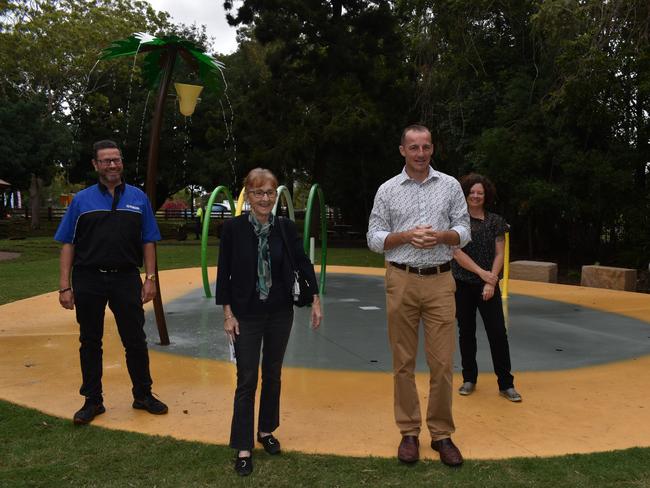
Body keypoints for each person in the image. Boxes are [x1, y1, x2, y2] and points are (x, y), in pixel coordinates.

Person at [367, 124, 470, 467]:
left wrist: (441, 236)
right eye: (414, 147)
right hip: (402, 279)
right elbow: (374, 238)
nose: (420, 153)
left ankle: (441, 435)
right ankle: (409, 432)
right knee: (403, 363)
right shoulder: (388, 190)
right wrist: (406, 236)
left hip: (441, 281)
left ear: (432, 149)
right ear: (402, 150)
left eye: (426, 147)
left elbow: (465, 231)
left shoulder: (451, 186)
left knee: (442, 364)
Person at [215, 168, 322, 476]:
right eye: (258, 192)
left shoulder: (285, 228)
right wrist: (227, 314)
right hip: (245, 314)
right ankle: (244, 445)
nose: (264, 199)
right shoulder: (233, 229)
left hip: (279, 312)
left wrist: (315, 299)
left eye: (270, 193)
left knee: (272, 374)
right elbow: (224, 274)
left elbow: (302, 262)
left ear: (276, 196)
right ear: (247, 195)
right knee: (247, 378)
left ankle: (265, 431)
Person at [55, 139, 168, 425]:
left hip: (126, 278)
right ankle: (93, 401)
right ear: (95, 165)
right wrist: (65, 286)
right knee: (90, 341)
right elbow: (67, 243)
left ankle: (143, 394)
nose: (112, 165)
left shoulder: (138, 198)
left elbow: (148, 242)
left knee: (135, 340)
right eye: (106, 160)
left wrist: (150, 279)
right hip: (89, 278)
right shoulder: (81, 200)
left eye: (116, 159)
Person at [452, 173, 522, 402]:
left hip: (489, 286)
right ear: (465, 194)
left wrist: (490, 281)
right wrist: (484, 275)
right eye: (471, 191)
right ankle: (469, 379)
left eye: (479, 192)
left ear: (486, 195)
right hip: (462, 284)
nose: (475, 195)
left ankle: (506, 384)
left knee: (498, 334)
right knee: (466, 334)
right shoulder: (457, 223)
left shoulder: (495, 221)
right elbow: (456, 253)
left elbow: (500, 253)